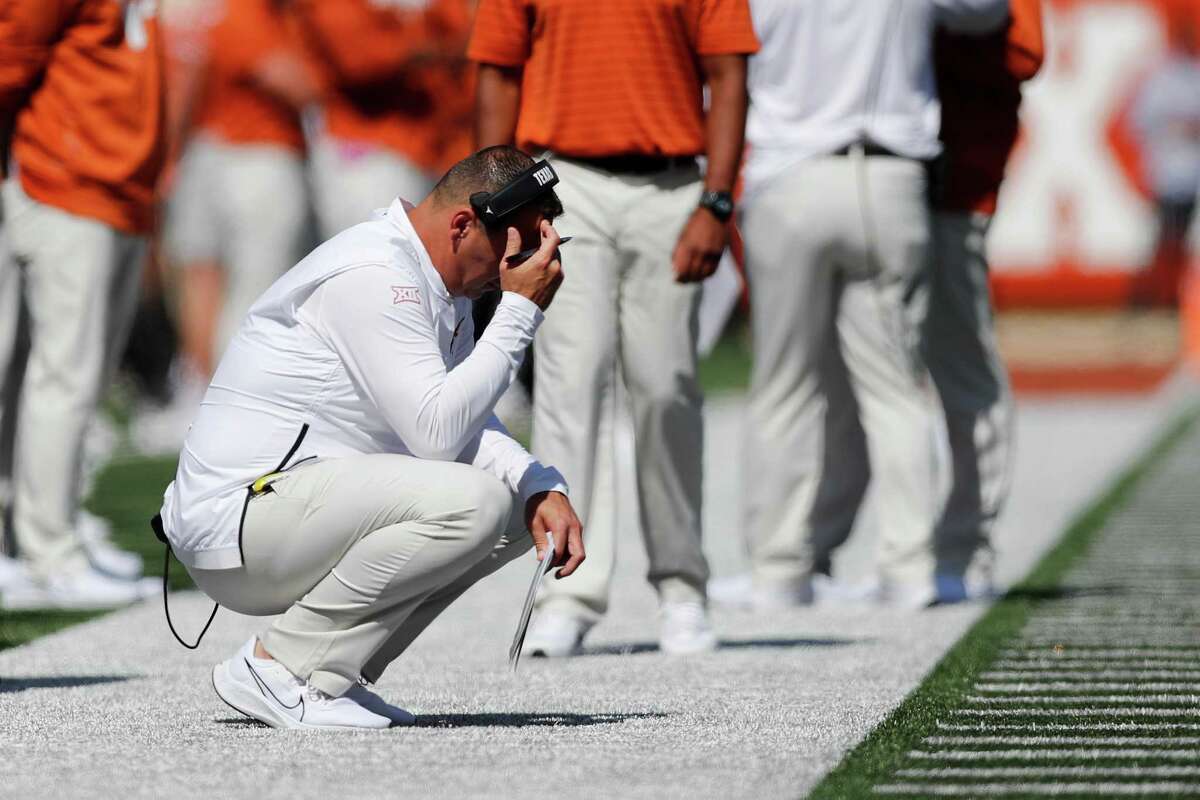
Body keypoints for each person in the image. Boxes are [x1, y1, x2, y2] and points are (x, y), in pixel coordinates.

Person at [157, 146, 585, 730]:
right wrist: (518, 314)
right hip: (238, 521)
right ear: (462, 225)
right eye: (510, 252)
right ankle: (279, 666)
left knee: (515, 504)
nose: (509, 273)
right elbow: (437, 434)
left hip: (284, 508)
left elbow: (462, 420)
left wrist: (540, 482)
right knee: (477, 500)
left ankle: (328, 674)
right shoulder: (376, 273)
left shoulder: (434, 277)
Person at [469, 0, 759, 658]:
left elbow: (729, 74)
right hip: (562, 178)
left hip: (673, 181)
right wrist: (495, 202)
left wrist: (717, 200)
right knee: (571, 384)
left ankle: (683, 586)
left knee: (667, 389)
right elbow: (499, 73)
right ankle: (567, 591)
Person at [711, 0, 1009, 612]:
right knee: (895, 389)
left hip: (785, 175)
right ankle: (909, 568)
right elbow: (986, 12)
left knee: (782, 388)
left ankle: (778, 571)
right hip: (888, 176)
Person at [0, 0, 166, 608]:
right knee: (59, 375)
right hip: (66, 176)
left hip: (112, 179)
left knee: (76, 376)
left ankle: (53, 527)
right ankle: (48, 550)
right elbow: (12, 52)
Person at [133, 0, 322, 457]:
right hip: (255, 157)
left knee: (204, 279)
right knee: (256, 289)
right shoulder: (243, 11)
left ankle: (202, 395)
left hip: (203, 151)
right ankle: (233, 405)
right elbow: (295, 81)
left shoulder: (198, 13)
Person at [925, 0, 1044, 601]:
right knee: (838, 377)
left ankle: (967, 548)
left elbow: (1025, 47)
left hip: (952, 185)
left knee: (964, 366)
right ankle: (812, 556)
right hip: (866, 177)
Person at [293, 0, 471, 239]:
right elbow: (359, 59)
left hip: (431, 153)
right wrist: (439, 50)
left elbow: (468, 33)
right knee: (372, 259)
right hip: (366, 155)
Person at [1130, 11, 1200, 308]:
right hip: (1168, 172)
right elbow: (1141, 121)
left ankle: (1175, 298)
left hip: (1192, 174)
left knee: (1182, 241)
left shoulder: (1195, 75)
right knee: (1165, 239)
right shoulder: (1162, 77)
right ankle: (1149, 299)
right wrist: (1178, 126)